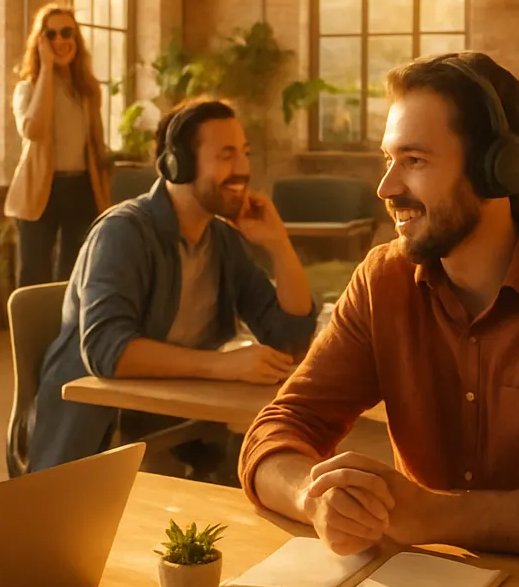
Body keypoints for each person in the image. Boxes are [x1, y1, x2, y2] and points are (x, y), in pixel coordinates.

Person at [241, 53, 519, 560]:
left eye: (414, 161)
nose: (387, 188)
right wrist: (314, 499)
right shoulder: (382, 281)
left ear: (498, 170)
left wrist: (434, 514)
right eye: (388, 160)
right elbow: (276, 431)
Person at [16, 97, 318, 474]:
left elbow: (290, 339)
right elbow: (108, 351)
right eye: (226, 155)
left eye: (244, 153)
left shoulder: (222, 239)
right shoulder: (122, 232)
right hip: (98, 435)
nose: (243, 169)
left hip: (178, 423)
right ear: (179, 164)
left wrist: (279, 245)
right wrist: (221, 366)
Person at [4, 4, 110, 287]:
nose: (61, 41)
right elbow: (33, 130)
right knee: (34, 276)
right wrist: (47, 69)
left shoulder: (88, 90)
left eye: (67, 33)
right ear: (40, 42)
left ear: (76, 39)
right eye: (51, 35)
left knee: (76, 276)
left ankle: (69, 332)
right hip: (40, 190)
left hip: (81, 189)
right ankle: (32, 331)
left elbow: (97, 144)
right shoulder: (27, 88)